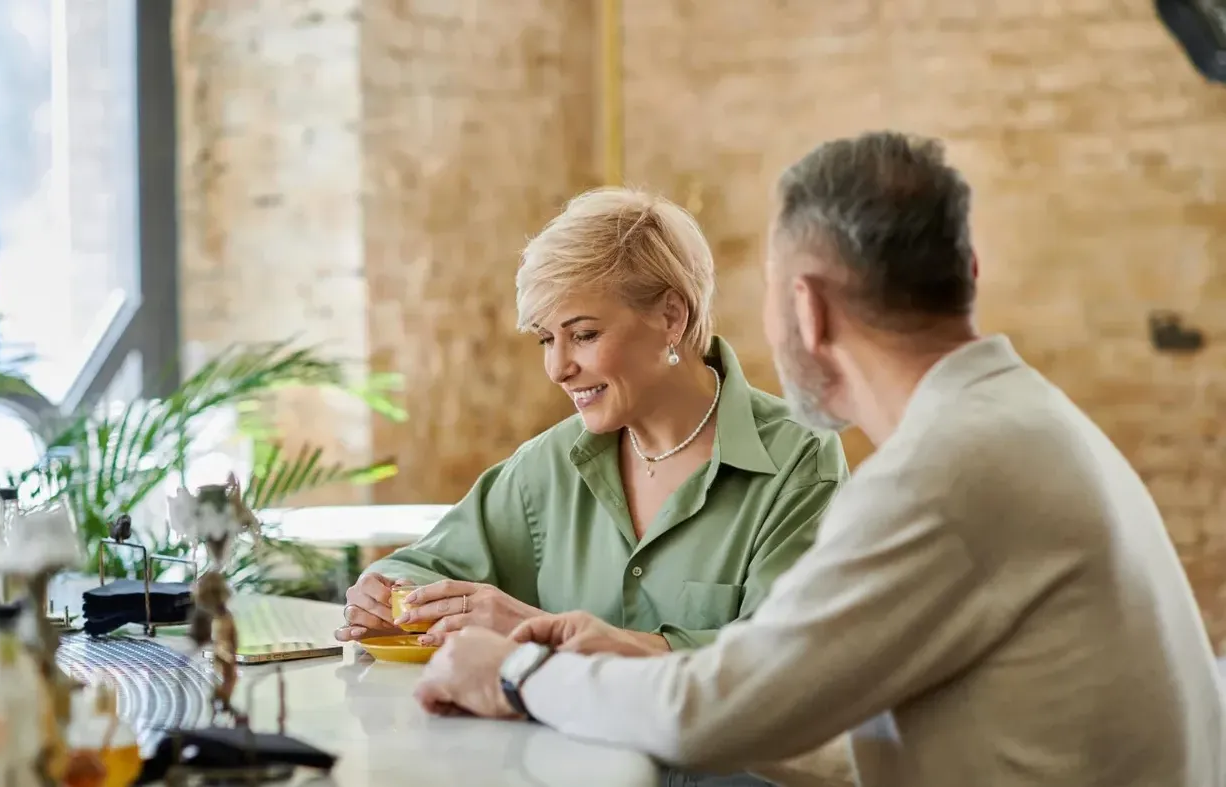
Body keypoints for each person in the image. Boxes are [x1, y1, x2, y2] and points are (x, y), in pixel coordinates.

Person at [412, 131, 1226, 787]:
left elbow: (717, 713)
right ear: (965, 273)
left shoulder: (945, 472)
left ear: (806, 306)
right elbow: (815, 704)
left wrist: (517, 673)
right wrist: (620, 647)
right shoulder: (1023, 419)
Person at [335, 187, 848, 652]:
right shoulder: (549, 465)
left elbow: (783, 661)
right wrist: (384, 595)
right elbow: (421, 567)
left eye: (583, 335)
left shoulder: (798, 459)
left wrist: (549, 636)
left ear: (672, 317)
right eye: (544, 339)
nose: (558, 368)